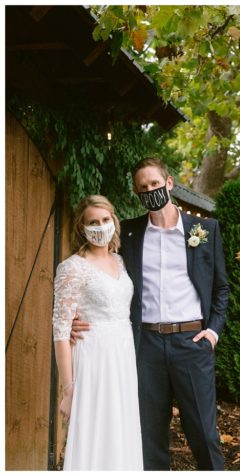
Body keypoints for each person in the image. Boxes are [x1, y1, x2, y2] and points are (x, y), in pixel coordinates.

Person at [72, 158, 229, 470]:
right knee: (148, 437)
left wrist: (212, 332)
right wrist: (76, 315)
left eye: (155, 184)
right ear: (136, 192)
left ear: (169, 183)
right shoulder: (129, 233)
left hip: (191, 342)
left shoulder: (204, 229)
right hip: (145, 347)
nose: (150, 191)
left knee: (204, 434)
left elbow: (221, 288)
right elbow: (98, 270)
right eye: (143, 187)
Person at [52, 195, 143, 470]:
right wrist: (68, 389)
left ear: (114, 221)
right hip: (93, 358)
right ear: (82, 227)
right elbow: (60, 331)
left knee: (120, 429)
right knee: (95, 430)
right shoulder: (72, 267)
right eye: (93, 222)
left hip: (123, 356)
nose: (100, 227)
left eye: (105, 220)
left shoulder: (121, 261)